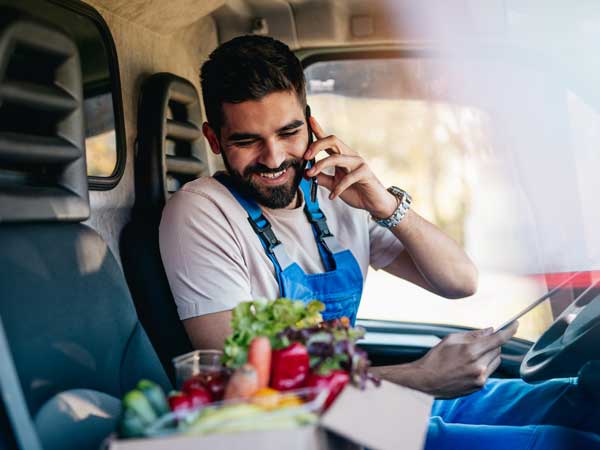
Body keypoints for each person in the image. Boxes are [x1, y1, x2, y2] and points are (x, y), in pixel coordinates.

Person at [159, 35, 600, 449]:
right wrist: (422, 377)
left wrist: (384, 204)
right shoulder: (200, 213)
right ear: (214, 139)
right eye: (247, 140)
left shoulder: (336, 195)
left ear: (312, 124)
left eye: (289, 133)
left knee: (580, 402)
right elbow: (247, 385)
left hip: (366, 400)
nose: (274, 158)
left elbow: (460, 281)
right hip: (313, 426)